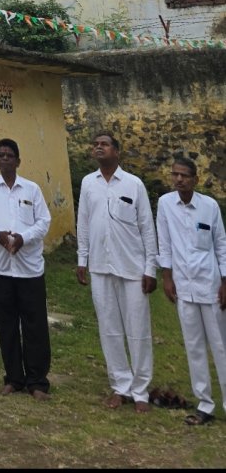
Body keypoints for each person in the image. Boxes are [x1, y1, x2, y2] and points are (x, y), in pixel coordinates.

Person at [76, 132, 158, 412]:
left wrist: (151, 268)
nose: (98, 147)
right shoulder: (89, 183)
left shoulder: (134, 184)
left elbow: (147, 227)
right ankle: (120, 387)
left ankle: (141, 391)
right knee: (109, 329)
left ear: (117, 152)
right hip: (100, 267)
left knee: (138, 330)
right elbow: (83, 223)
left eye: (104, 144)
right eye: (95, 144)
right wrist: (81, 259)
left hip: (133, 268)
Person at [0, 138, 52, 400]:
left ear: (18, 161)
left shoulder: (32, 189)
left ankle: (37, 381)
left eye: (9, 155)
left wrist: (22, 239)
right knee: (7, 323)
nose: (4, 159)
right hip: (0, 267)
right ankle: (13, 378)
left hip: (29, 268)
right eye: (1, 155)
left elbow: (44, 222)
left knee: (34, 324)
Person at [156, 156, 226, 426]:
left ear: (195, 179)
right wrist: (167, 277)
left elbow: (220, 245)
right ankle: (205, 405)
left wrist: (224, 282)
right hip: (184, 286)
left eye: (184, 175)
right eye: (175, 174)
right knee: (194, 347)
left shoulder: (209, 207)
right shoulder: (165, 205)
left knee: (221, 346)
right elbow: (165, 242)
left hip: (210, 285)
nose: (178, 179)